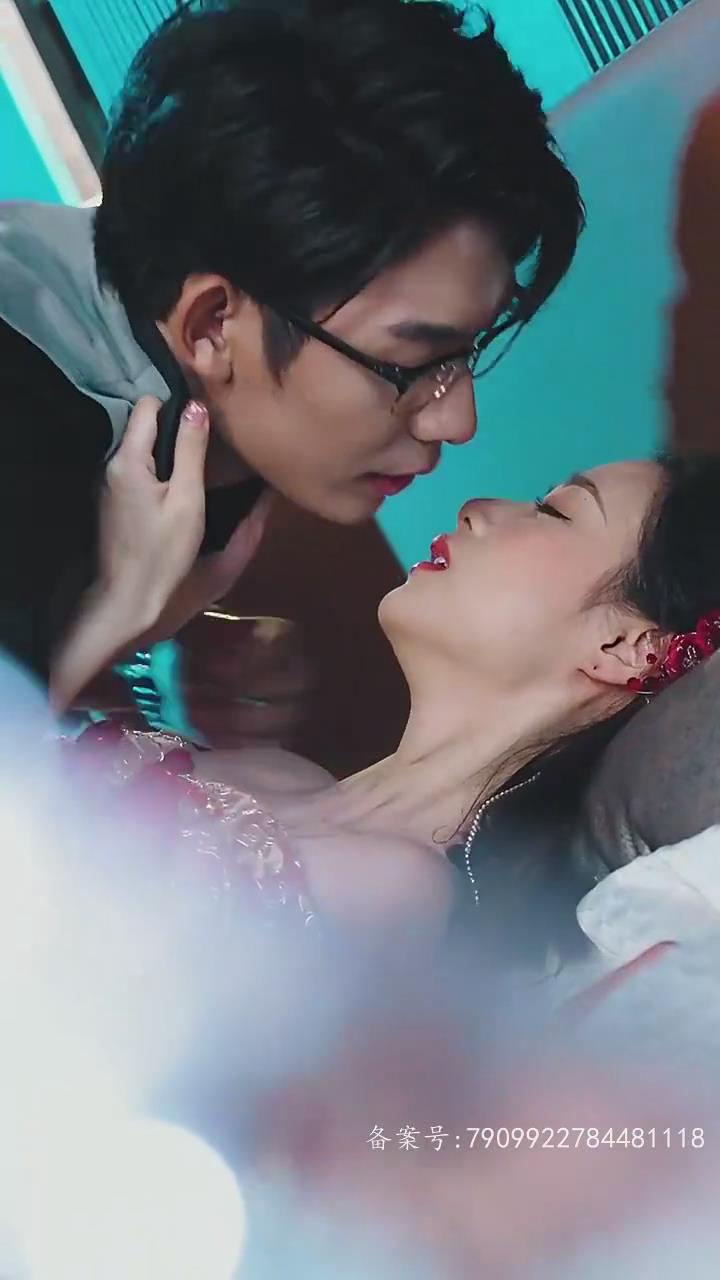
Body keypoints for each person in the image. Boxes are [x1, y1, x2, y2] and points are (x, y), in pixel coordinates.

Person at [0, 0, 583, 699]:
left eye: (468, 350)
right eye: (412, 363)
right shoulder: (30, 421)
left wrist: (145, 675)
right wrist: (107, 627)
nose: (457, 420)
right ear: (212, 326)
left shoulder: (218, 403)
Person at [60, 439, 720, 962]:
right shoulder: (277, 770)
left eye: (555, 511)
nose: (478, 507)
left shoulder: (399, 893)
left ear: (627, 645)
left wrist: (113, 619)